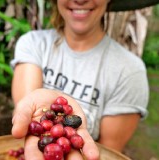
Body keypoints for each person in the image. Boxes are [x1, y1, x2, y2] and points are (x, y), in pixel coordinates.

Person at [10, 0, 150, 159]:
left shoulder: (129, 70)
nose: (80, 0)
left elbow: (107, 153)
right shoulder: (33, 44)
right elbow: (24, 117)